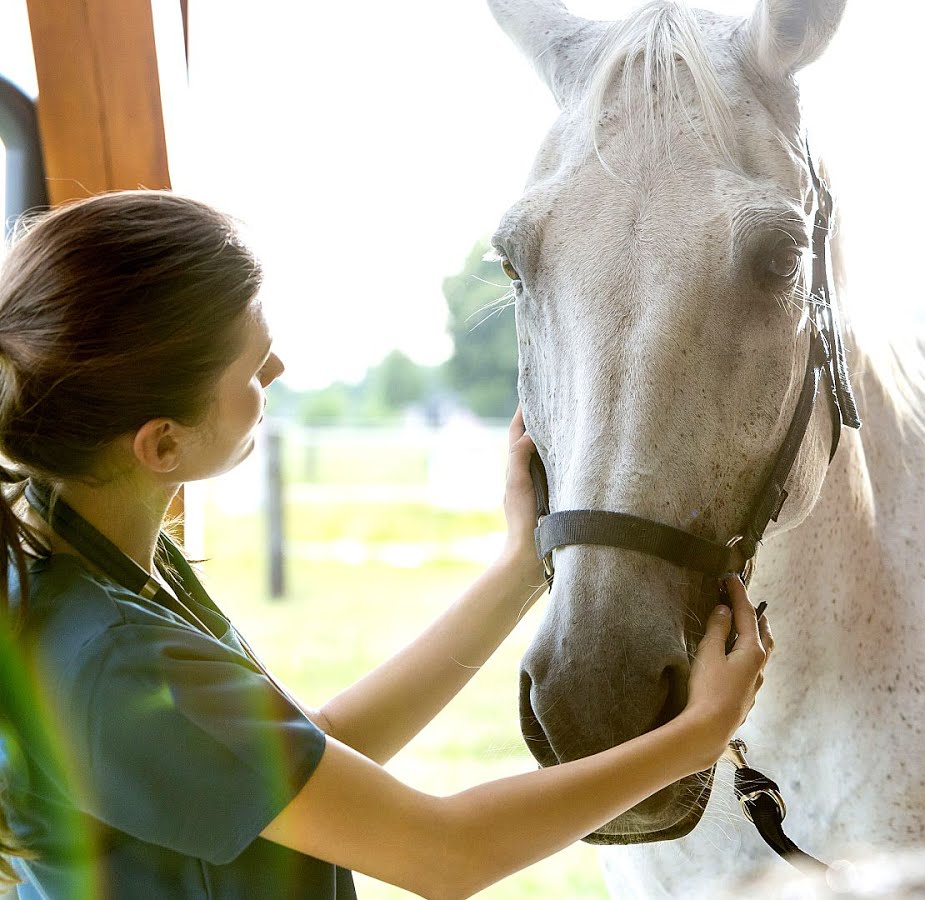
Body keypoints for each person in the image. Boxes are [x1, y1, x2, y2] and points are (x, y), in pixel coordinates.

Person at [0, 190, 773, 898]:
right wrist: (697, 735)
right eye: (252, 366)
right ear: (161, 445)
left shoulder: (102, 559)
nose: (278, 366)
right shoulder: (114, 661)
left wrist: (520, 566)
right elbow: (445, 853)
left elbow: (314, 753)